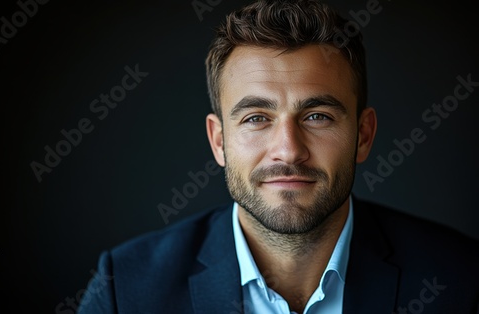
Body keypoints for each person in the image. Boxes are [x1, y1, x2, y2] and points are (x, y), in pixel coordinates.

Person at [77, 0, 479, 313]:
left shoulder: (461, 281)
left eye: (317, 116)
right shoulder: (125, 289)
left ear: (363, 135)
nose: (288, 149)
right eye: (256, 118)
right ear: (219, 141)